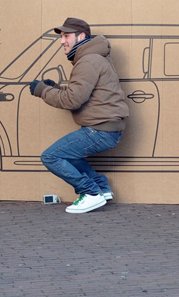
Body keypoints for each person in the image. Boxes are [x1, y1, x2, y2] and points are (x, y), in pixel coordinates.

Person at [30, 18, 129, 214]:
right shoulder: (93, 58)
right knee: (70, 154)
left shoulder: (88, 61)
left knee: (51, 156)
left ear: (81, 36)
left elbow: (72, 101)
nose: (62, 41)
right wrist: (54, 88)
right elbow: (83, 95)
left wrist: (43, 91)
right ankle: (101, 188)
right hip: (106, 127)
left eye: (66, 36)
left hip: (100, 130)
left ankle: (91, 193)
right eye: (61, 36)